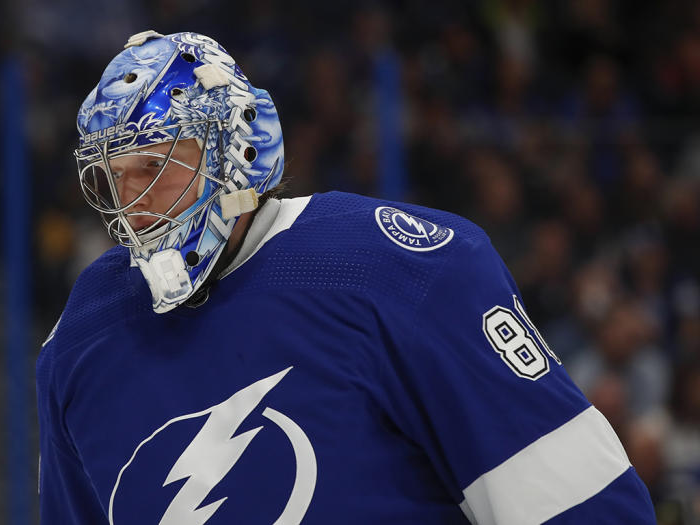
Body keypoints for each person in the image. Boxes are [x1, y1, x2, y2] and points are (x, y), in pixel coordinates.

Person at [37, 30, 655, 524]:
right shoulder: (81, 341)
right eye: (114, 177)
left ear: (236, 149)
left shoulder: (398, 268)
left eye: (155, 164)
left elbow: (581, 504)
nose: (133, 202)